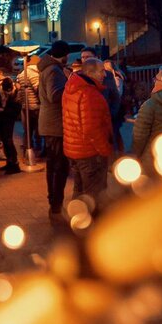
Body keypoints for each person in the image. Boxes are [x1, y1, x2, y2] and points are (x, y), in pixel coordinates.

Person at [63, 58, 113, 210]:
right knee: (94, 195)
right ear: (91, 73)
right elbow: (92, 129)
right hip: (90, 153)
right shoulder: (90, 94)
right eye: (101, 71)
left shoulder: (71, 88)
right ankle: (94, 223)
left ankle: (77, 218)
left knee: (79, 190)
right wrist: (105, 150)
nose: (104, 74)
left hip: (74, 150)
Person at [39, 40, 71, 219]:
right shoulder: (54, 70)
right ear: (64, 54)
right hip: (55, 125)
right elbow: (55, 95)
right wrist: (70, 87)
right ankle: (56, 204)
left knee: (53, 165)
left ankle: (54, 202)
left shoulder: (48, 69)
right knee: (59, 166)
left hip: (49, 124)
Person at [0, 74, 23, 174]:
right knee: (5, 139)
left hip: (8, 117)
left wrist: (3, 110)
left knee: (8, 140)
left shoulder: (15, 91)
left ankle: (14, 164)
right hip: (4, 117)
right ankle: (10, 162)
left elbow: (16, 107)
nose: (7, 94)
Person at [17, 55, 41, 154]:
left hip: (25, 106)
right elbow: (38, 89)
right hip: (35, 106)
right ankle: (38, 150)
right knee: (38, 131)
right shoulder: (34, 73)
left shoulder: (22, 74)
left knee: (28, 131)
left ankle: (27, 149)